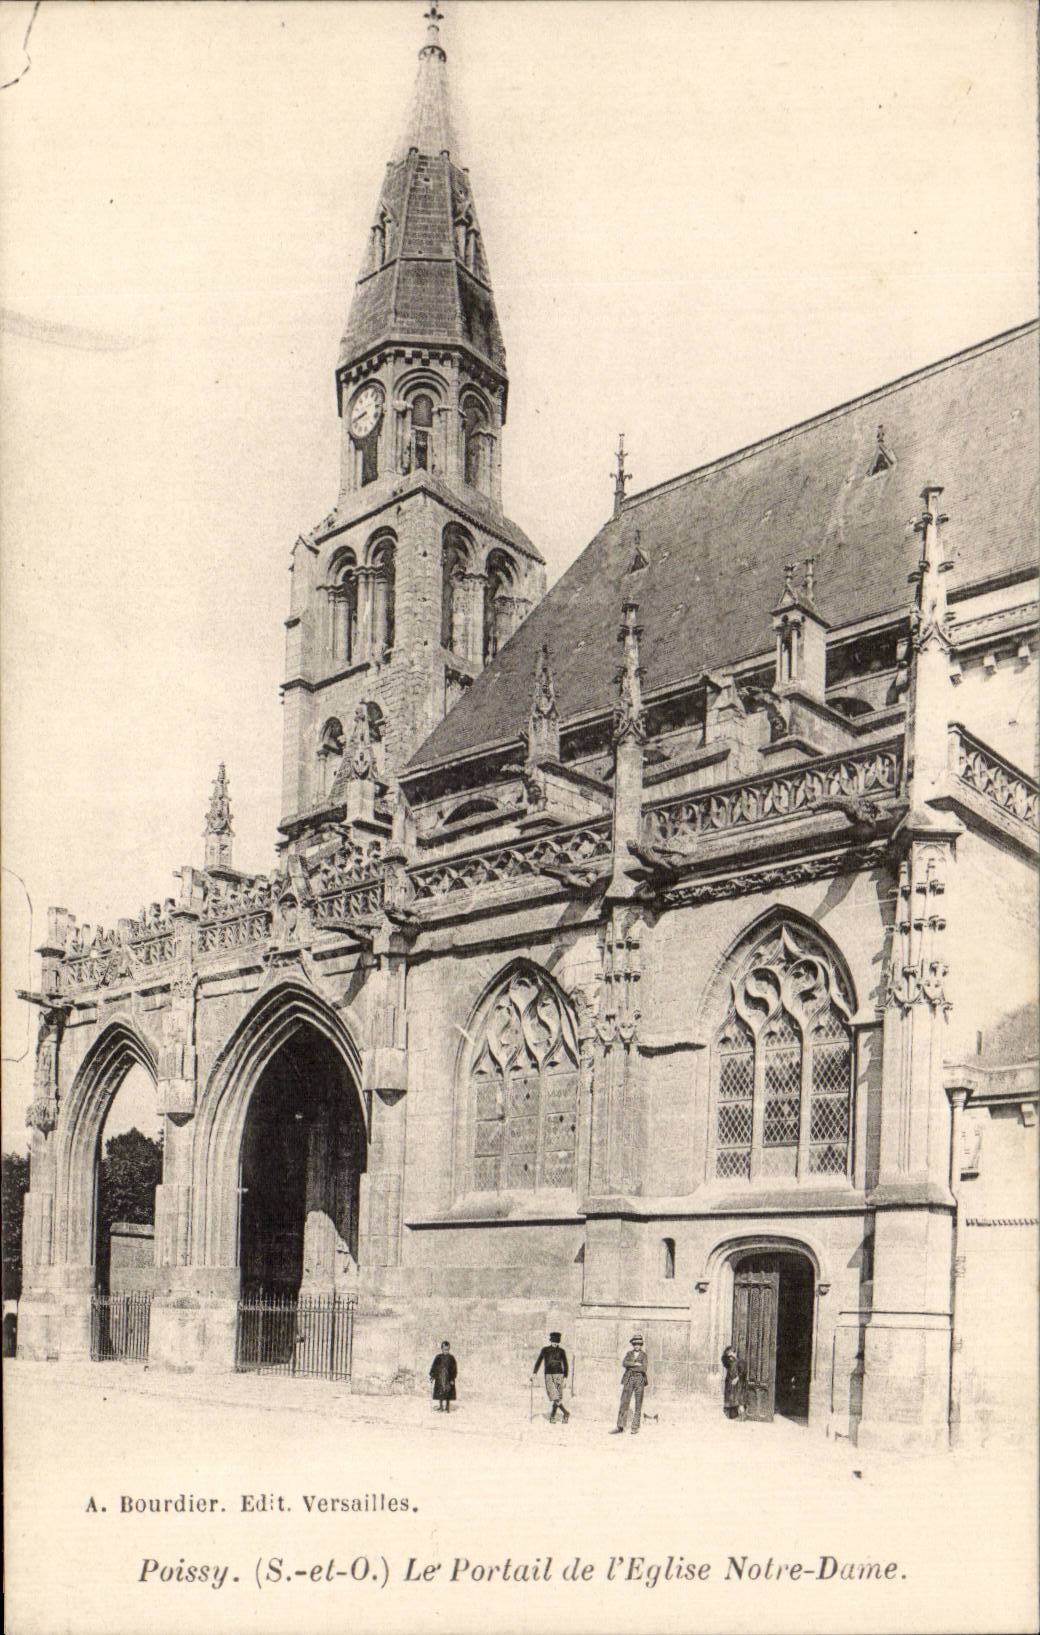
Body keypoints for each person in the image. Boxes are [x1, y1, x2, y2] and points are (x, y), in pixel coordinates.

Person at [611, 1334, 648, 1435]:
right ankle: (620, 1426)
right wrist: (635, 1364)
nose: (637, 1346)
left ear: (641, 1345)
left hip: (640, 1379)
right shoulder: (629, 1353)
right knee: (624, 1402)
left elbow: (643, 1369)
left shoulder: (644, 1355)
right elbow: (624, 1363)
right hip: (629, 1379)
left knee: (638, 1404)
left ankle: (635, 1427)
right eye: (635, 1344)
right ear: (633, 1344)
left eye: (639, 1344)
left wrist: (630, 1365)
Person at [532, 1330, 570, 1423]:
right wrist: (534, 1373)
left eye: (557, 1342)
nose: (555, 1344)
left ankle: (553, 1417)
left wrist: (565, 1377)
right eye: (554, 1342)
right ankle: (565, 1413)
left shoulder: (562, 1351)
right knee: (553, 1396)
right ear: (551, 1341)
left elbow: (565, 1364)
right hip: (548, 1375)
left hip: (559, 1375)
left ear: (559, 1342)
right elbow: (539, 1361)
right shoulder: (545, 1350)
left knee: (557, 1396)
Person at [429, 1340, 457, 1412]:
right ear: (442, 1349)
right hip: (440, 1378)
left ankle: (447, 1407)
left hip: (448, 1378)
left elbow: (454, 1369)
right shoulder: (438, 1357)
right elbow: (434, 1367)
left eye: (447, 1349)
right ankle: (441, 1407)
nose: (446, 1351)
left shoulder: (451, 1358)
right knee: (440, 1393)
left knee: (448, 1392)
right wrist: (432, 1375)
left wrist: (452, 1378)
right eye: (444, 1349)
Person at [721, 1345, 747, 1419]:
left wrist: (737, 1379)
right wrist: (727, 1355)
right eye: (728, 1354)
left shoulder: (740, 1362)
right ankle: (737, 1415)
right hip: (731, 1383)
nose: (730, 1356)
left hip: (738, 1384)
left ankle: (742, 1416)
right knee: (733, 1399)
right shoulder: (730, 1362)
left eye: (731, 1353)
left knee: (739, 1400)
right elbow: (723, 1360)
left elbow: (742, 1372)